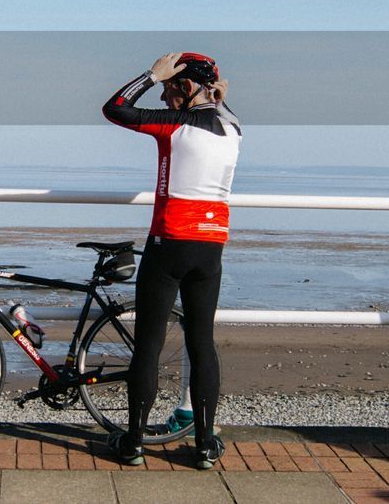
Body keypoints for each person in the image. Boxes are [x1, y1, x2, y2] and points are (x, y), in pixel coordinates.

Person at [102, 52, 241, 470]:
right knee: (202, 343)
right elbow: (217, 110)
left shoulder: (176, 125)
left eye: (168, 88)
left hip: (169, 243)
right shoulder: (233, 127)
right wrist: (219, 96)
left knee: (149, 344)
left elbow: (115, 109)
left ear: (184, 86)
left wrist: (149, 75)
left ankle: (133, 444)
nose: (163, 97)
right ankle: (204, 446)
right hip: (211, 246)